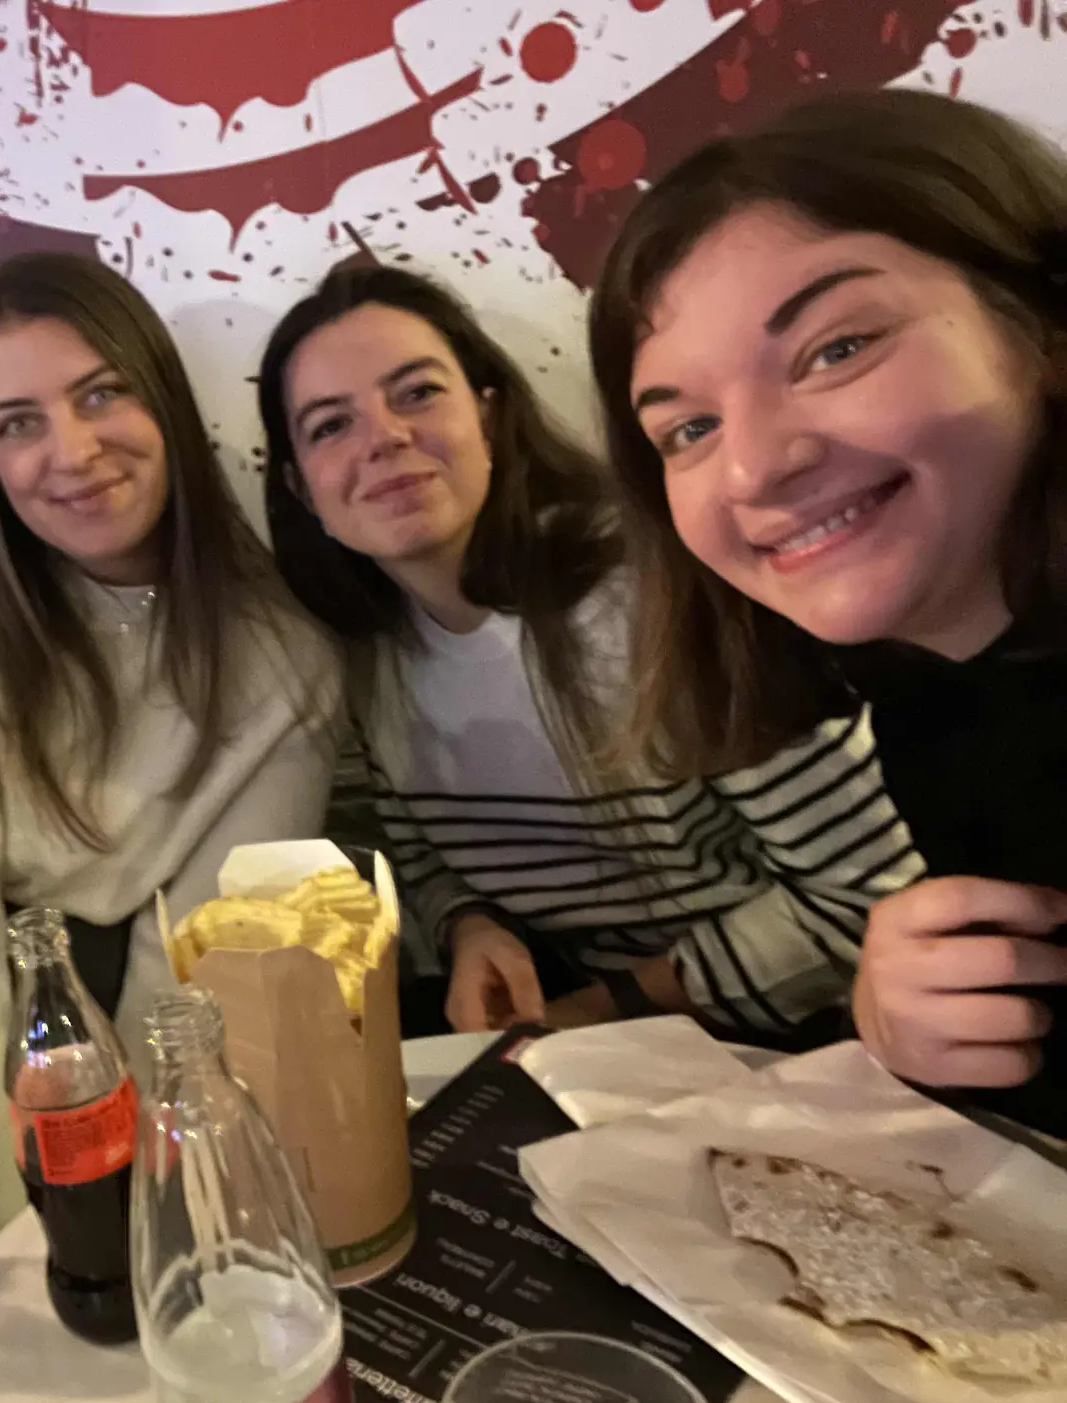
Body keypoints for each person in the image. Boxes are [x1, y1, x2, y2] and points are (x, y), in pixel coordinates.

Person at [260, 262, 921, 1038]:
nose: (386, 438)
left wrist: (603, 1010)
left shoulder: (666, 597)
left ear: (488, 419)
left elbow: (860, 898)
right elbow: (417, 858)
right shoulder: (360, 658)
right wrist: (470, 927)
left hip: (791, 1034)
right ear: (302, 489)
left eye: (418, 393)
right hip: (577, 1036)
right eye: (330, 426)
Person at [589, 89, 1067, 1138]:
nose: (754, 468)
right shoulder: (920, 689)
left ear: (1041, 323)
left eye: (836, 349)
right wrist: (898, 1023)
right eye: (689, 429)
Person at [0, 252, 342, 1258]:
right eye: (16, 424)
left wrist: (153, 1225)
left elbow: (198, 961)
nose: (71, 452)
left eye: (101, 394)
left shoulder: (286, 653)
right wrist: (7, 1256)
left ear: (163, 401)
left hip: (197, 1072)